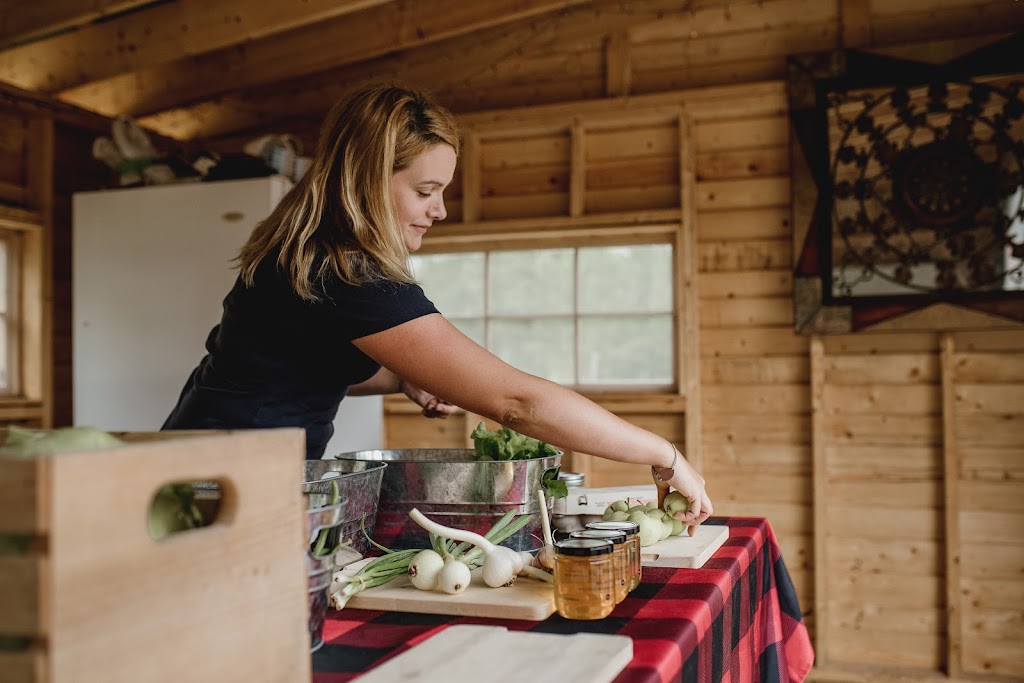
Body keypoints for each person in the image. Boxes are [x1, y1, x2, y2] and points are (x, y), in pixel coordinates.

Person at [162, 83, 712, 532]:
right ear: (366, 181)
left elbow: (289, 370)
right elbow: (518, 402)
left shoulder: (309, 254)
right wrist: (665, 454)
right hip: (220, 495)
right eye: (426, 190)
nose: (440, 209)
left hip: (207, 474)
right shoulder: (346, 271)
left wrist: (399, 379)